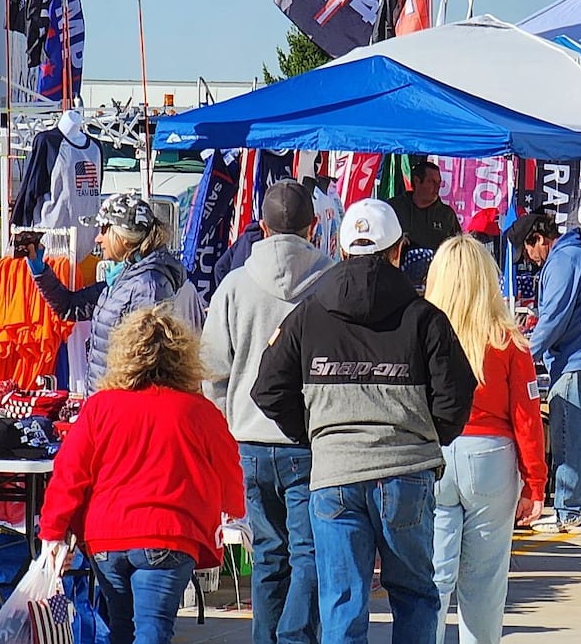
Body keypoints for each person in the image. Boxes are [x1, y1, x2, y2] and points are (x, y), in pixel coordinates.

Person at [251, 198, 476, 644]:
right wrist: (427, 436)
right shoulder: (423, 317)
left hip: (334, 476)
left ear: (342, 248)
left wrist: (318, 434)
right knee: (414, 595)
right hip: (406, 476)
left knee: (342, 603)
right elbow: (457, 394)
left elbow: (268, 389)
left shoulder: (309, 314)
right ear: (399, 250)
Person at [39, 306, 244, 644]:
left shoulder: (100, 407)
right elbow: (228, 467)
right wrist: (234, 510)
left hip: (106, 538)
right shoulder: (199, 411)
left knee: (122, 629)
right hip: (169, 535)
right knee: (153, 630)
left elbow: (69, 473)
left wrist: (53, 532)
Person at [203, 180, 332, 644]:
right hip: (311, 440)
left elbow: (212, 369)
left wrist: (228, 421)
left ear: (261, 227)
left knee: (270, 556)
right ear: (313, 226)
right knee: (309, 553)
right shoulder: (332, 281)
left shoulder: (235, 285)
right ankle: (296, 637)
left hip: (250, 442)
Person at [424, 236, 547, 644]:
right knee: (486, 581)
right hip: (491, 457)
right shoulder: (508, 341)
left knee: (434, 576)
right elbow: (527, 418)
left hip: (435, 452)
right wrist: (535, 483)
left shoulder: (420, 334)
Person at [505, 207, 581, 535]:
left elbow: (554, 318)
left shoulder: (563, 260)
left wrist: (523, 356)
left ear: (539, 239)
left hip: (578, 359)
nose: (529, 259)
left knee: (568, 439)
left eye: (527, 251)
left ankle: (568, 512)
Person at [29, 193, 199, 387]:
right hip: (106, 398)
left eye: (104, 230)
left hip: (120, 405)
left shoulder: (148, 285)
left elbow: (148, 365)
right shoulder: (125, 277)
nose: (98, 238)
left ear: (125, 238)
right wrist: (39, 269)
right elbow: (70, 306)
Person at [388, 160, 462, 252]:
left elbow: (458, 248)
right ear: (417, 181)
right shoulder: (395, 208)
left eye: (439, 182)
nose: (437, 186)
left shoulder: (446, 215)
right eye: (431, 181)